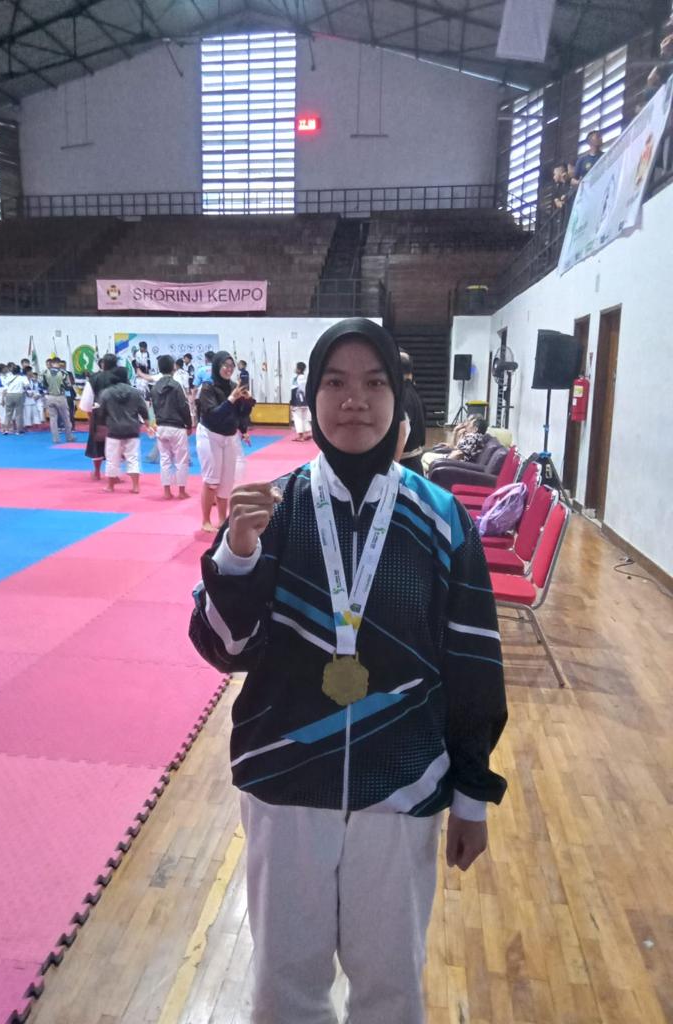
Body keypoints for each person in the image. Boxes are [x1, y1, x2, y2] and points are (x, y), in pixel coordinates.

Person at [189, 317, 507, 1024]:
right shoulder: (271, 511)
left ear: (397, 399)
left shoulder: (441, 519)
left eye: (373, 383)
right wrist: (237, 554)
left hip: (402, 783)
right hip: (284, 783)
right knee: (283, 988)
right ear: (312, 398)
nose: (354, 401)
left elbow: (473, 661)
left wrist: (472, 796)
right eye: (335, 383)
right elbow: (224, 649)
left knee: (391, 988)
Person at [196, 350, 254, 533]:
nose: (229, 369)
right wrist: (231, 399)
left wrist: (246, 404)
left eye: (231, 366)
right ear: (217, 366)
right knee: (212, 480)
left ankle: (222, 519)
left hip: (229, 436)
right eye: (225, 366)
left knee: (227, 481)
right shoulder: (208, 387)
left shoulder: (234, 386)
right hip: (210, 435)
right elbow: (213, 415)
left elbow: (240, 414)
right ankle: (206, 520)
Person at [97, 366, 149, 493]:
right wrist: (147, 422)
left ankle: (110, 486)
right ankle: (135, 486)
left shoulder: (106, 393)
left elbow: (101, 412)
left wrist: (101, 426)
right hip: (132, 429)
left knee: (112, 459)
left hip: (113, 430)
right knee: (133, 458)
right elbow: (143, 409)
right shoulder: (135, 392)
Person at [149, 354, 192, 500]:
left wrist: (155, 422)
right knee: (181, 460)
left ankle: (167, 491)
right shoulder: (176, 386)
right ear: (173, 367)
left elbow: (154, 408)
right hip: (177, 426)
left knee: (165, 459)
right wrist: (189, 424)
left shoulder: (155, 387)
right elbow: (184, 407)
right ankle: (181, 491)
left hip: (161, 426)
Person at [79, 353, 118, 480]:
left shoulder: (94, 379)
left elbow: (86, 402)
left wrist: (91, 416)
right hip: (117, 416)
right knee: (116, 444)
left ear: (102, 364)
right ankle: (114, 474)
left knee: (97, 444)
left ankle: (96, 472)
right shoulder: (120, 378)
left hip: (98, 416)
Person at [398, 350, 427, 475]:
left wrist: (390, 469)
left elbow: (402, 433)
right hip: (414, 463)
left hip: (405, 466)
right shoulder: (414, 392)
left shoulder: (402, 395)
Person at [42, 358, 75, 444]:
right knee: (66, 418)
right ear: (59, 363)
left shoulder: (45, 373)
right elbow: (68, 386)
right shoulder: (63, 373)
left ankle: (55, 439)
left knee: (53, 419)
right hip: (60, 397)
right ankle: (69, 437)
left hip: (50, 396)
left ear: (52, 363)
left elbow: (44, 385)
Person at [289, 360, 311, 441]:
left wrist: (292, 402)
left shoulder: (298, 378)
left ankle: (301, 436)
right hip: (304, 401)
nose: (295, 369)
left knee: (297, 417)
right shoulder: (303, 377)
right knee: (304, 417)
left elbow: (297, 390)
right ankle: (308, 433)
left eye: (296, 367)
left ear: (298, 369)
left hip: (298, 401)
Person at [3, 362, 26, 435]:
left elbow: (5, 385)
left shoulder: (8, 377)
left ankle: (6, 429)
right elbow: (27, 385)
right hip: (18, 394)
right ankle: (19, 430)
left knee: (8, 413)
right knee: (18, 413)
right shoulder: (22, 377)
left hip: (9, 395)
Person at [58, 359, 78, 431]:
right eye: (61, 366)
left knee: (71, 410)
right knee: (60, 410)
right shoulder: (57, 374)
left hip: (69, 393)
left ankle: (72, 426)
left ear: (65, 366)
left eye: (64, 365)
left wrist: (75, 395)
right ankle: (61, 426)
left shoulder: (69, 373)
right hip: (60, 394)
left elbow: (73, 384)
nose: (62, 367)